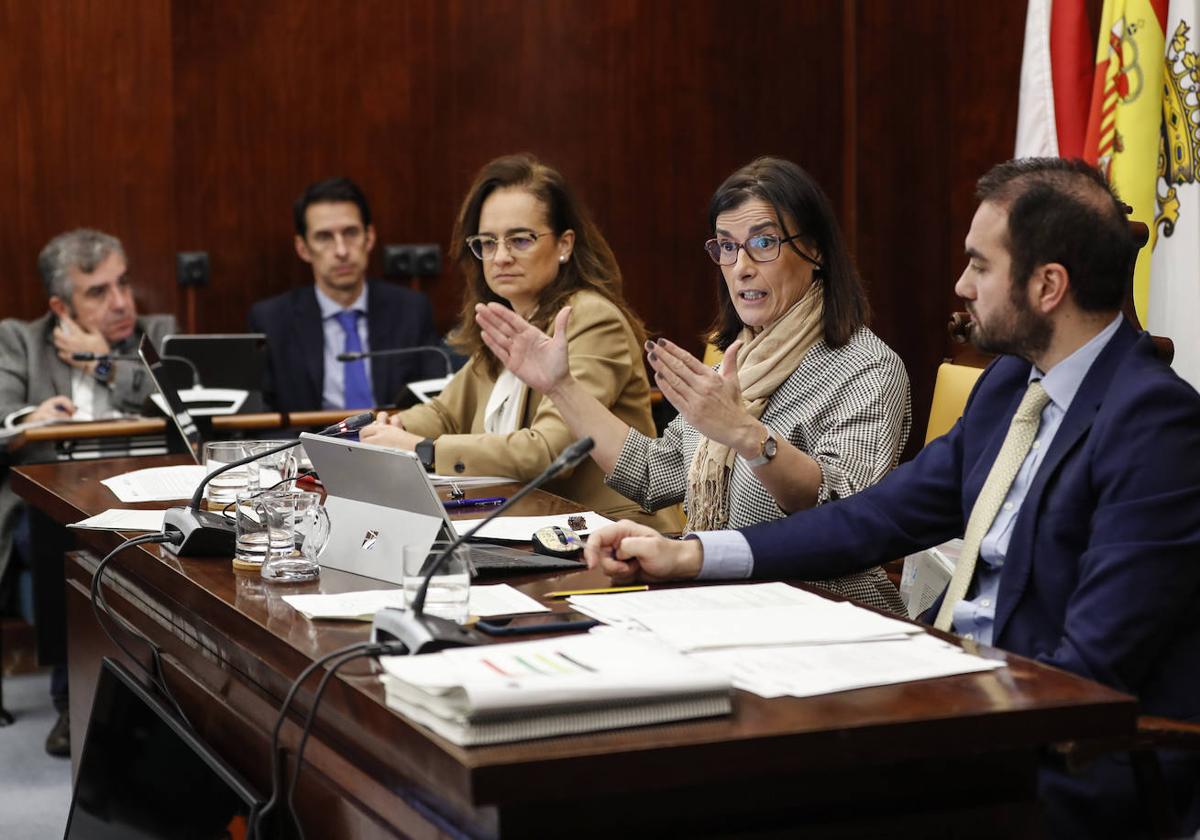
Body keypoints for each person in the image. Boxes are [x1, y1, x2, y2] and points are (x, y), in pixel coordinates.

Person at [584, 158, 1200, 837]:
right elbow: (872, 519)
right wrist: (692, 555)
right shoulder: (1007, 389)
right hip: (949, 706)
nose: (961, 285)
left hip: (1056, 764)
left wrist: (921, 702)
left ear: (1048, 285)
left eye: (980, 266)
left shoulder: (1156, 427)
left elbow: (1089, 668)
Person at [475, 157, 911, 613]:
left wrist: (745, 434)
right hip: (722, 601)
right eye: (726, 247)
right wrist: (561, 387)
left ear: (816, 249)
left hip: (828, 612)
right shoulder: (739, 357)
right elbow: (652, 473)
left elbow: (844, 519)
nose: (740, 266)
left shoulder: (867, 368)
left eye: (763, 243)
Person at [360, 154, 676, 529]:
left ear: (564, 244)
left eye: (520, 240)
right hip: (528, 527)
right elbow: (445, 413)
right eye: (488, 242)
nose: (501, 257)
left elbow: (545, 451)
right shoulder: (506, 318)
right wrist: (388, 428)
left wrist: (420, 450)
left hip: (610, 533)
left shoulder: (589, 319)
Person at [0, 228, 177, 756]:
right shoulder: (20, 340)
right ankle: (73, 705)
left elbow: (183, 413)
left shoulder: (158, 334)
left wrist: (100, 364)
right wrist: (30, 418)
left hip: (143, 495)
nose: (121, 301)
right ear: (60, 305)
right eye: (97, 292)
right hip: (46, 509)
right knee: (62, 524)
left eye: (122, 283)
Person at [248, 177, 444, 413]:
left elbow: (436, 401)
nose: (341, 251)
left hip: (392, 442)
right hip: (306, 446)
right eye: (324, 237)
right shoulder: (271, 319)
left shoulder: (411, 310)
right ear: (303, 248)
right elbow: (261, 414)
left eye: (350, 233)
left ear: (369, 237)